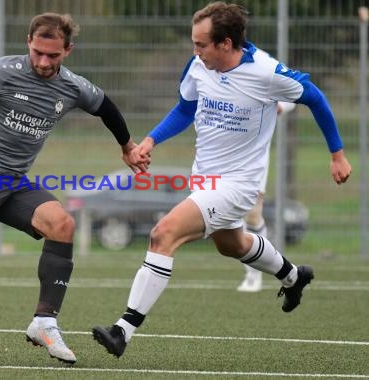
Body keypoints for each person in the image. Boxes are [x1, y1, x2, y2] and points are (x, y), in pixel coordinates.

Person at [92, 1, 351, 358]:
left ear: (226, 43)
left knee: (162, 233)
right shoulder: (198, 66)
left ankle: (123, 329)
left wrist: (336, 154)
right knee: (232, 244)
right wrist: (150, 140)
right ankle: (293, 275)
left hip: (240, 184)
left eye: (201, 44)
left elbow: (316, 99)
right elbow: (186, 108)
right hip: (205, 180)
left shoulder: (267, 73)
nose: (195, 51)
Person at [0, 12, 144, 366]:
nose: (44, 62)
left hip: (14, 180)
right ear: (28, 44)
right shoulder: (0, 73)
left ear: (68, 51)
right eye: (37, 53)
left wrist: (126, 146)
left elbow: (106, 107)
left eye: (53, 56)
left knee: (62, 224)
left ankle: (44, 322)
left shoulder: (73, 86)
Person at [237, 101, 296, 292]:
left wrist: (279, 106)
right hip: (221, 154)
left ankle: (254, 274)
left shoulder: (267, 72)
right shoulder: (213, 72)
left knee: (253, 214)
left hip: (255, 155)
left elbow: (293, 95)